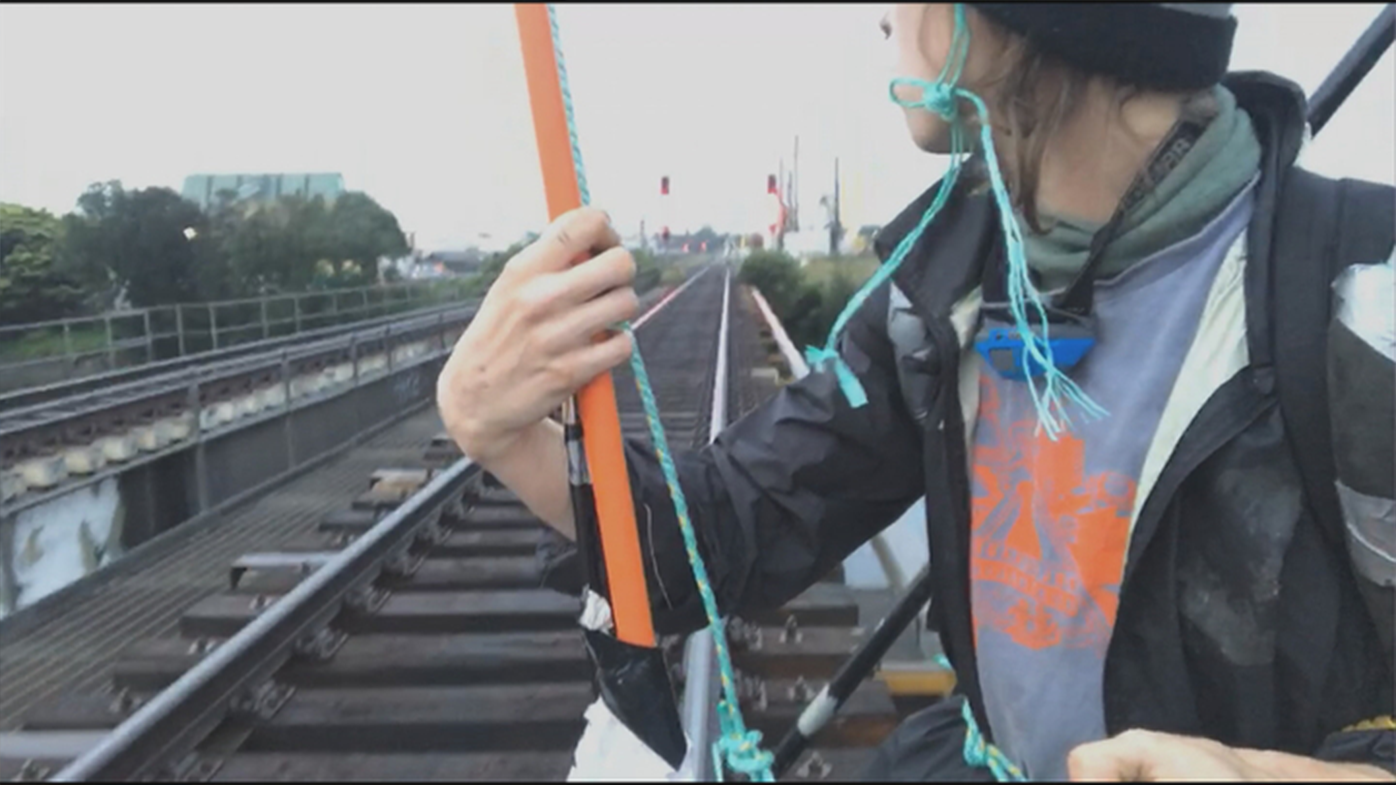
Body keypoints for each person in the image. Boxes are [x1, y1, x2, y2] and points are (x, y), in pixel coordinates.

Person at [437, 3, 1394, 780]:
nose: (879, 19)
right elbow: (726, 529)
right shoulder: (947, 294)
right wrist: (505, 431)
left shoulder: (1360, 295)